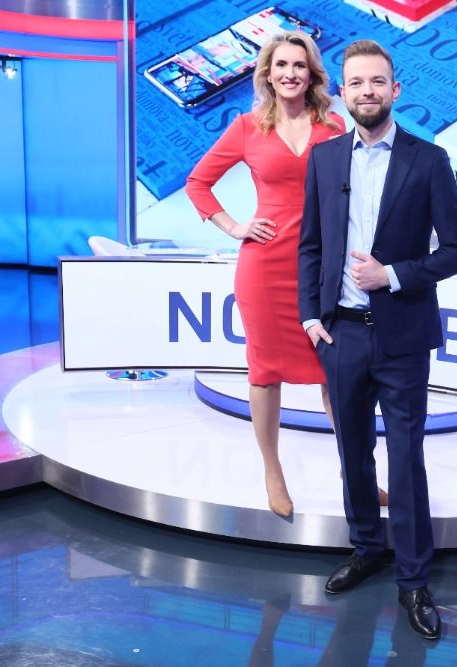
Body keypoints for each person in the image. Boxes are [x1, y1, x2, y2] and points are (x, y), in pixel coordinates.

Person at [297, 40, 457, 640]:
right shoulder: (324, 159)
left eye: (377, 81)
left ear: (395, 90)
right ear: (341, 93)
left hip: (402, 338)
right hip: (341, 333)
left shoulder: (429, 160)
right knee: (352, 450)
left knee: (405, 456)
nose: (367, 91)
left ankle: (414, 578)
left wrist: (393, 275)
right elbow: (311, 245)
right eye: (356, 82)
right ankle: (367, 546)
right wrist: (310, 317)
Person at [185, 32, 344, 518]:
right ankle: (272, 472)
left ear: (312, 75)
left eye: (300, 65)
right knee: (265, 371)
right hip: (265, 266)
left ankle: (354, 471)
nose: (290, 73)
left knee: (336, 373)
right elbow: (198, 183)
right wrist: (235, 227)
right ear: (268, 75)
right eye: (282, 65)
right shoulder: (246, 128)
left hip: (321, 267)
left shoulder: (333, 126)